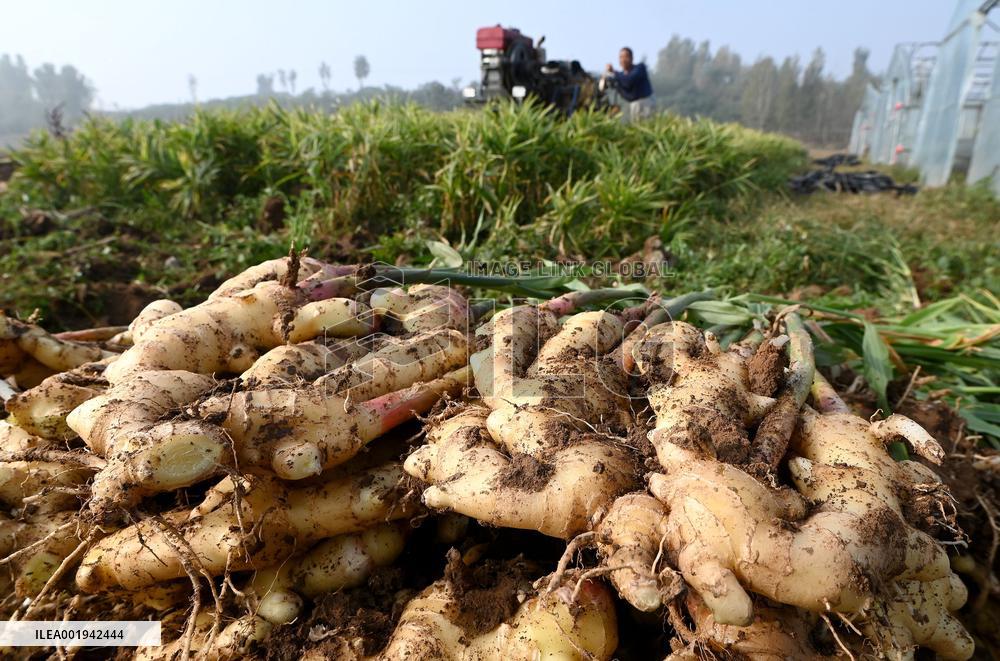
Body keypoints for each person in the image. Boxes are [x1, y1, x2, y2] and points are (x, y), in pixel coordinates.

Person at [605, 47, 654, 122]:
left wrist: (613, 72)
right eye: (621, 57)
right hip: (634, 105)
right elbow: (625, 92)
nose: (623, 60)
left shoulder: (640, 68)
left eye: (626, 57)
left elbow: (628, 81)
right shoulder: (621, 76)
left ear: (632, 58)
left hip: (645, 103)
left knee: (646, 124)